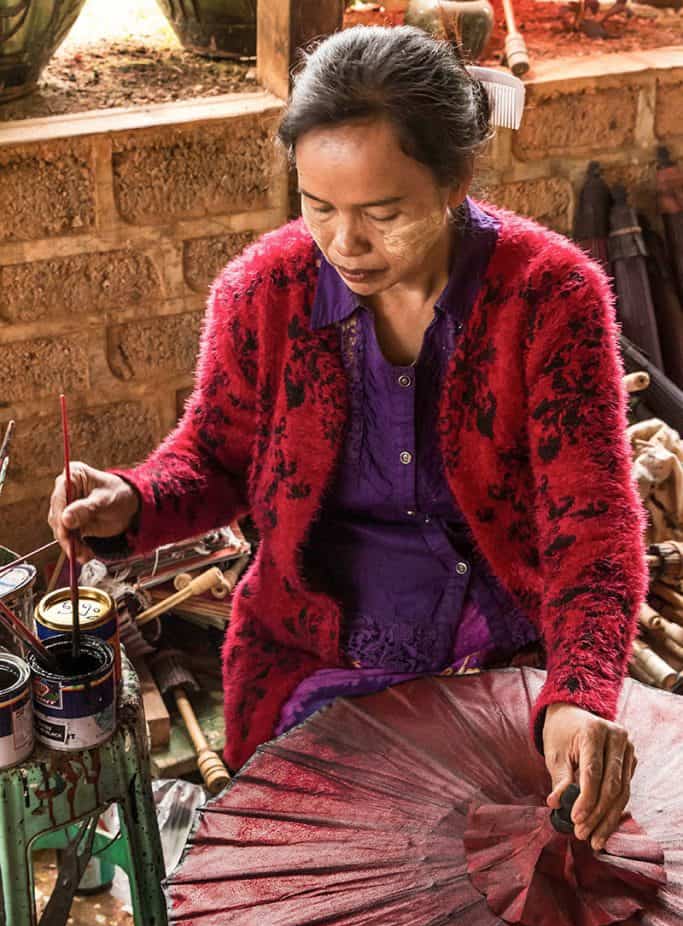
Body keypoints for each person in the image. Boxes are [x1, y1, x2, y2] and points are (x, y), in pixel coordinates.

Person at [49, 26, 646, 851]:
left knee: (519, 878)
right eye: (318, 206)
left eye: (383, 213)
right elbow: (212, 459)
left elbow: (593, 529)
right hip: (318, 653)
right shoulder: (264, 291)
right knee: (326, 876)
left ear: (456, 181)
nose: (344, 245)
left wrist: (578, 694)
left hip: (503, 654)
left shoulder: (548, 297)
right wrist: (132, 499)